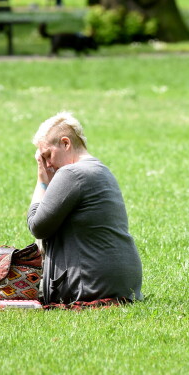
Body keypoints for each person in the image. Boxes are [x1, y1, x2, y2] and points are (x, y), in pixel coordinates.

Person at [27, 112, 143, 306]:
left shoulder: (72, 173)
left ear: (66, 143)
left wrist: (42, 182)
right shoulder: (101, 170)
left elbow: (37, 226)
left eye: (47, 155)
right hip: (122, 284)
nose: (47, 165)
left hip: (89, 287)